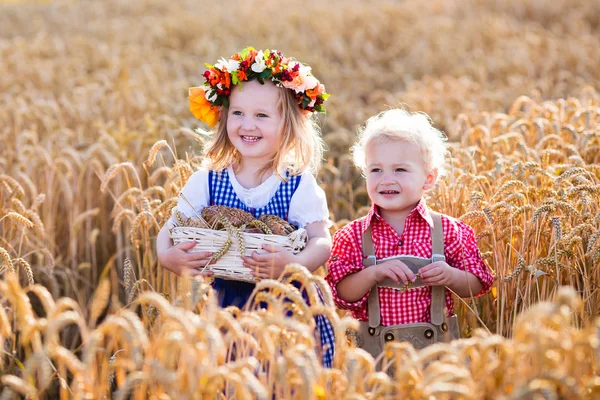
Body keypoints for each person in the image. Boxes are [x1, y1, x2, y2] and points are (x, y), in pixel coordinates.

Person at [155, 46, 334, 366]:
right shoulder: (207, 180)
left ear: (288, 124)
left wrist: (294, 264)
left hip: (285, 307)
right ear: (224, 117)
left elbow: (321, 240)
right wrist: (167, 256)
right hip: (224, 305)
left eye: (261, 116)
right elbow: (170, 229)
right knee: (230, 377)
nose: (247, 125)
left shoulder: (297, 183)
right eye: (238, 113)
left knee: (282, 379)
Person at [325, 109, 494, 358]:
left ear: (428, 178)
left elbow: (477, 284)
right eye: (376, 170)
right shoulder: (353, 236)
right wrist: (373, 274)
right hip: (374, 357)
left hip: (436, 353)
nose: (386, 180)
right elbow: (340, 294)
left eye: (400, 170)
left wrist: (450, 275)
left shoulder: (447, 231)